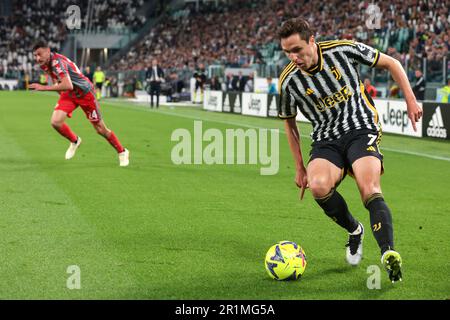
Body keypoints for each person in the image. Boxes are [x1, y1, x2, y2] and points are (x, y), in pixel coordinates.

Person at [277, 18, 422, 283]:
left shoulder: (342, 50)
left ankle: (388, 252)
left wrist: (411, 100)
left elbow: (392, 63)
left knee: (370, 188)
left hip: (361, 128)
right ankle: (355, 230)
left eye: (297, 49)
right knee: (318, 186)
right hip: (326, 140)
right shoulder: (288, 82)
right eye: (287, 52)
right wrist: (299, 166)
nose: (292, 57)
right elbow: (289, 123)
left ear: (312, 40)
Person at [29, 40, 129, 167]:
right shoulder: (45, 64)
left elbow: (67, 84)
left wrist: (43, 88)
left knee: (100, 129)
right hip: (69, 94)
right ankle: (75, 141)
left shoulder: (57, 63)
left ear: (48, 51)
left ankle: (122, 151)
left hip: (85, 93)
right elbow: (57, 79)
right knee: (56, 122)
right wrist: (61, 100)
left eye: (39, 54)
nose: (37, 58)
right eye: (35, 55)